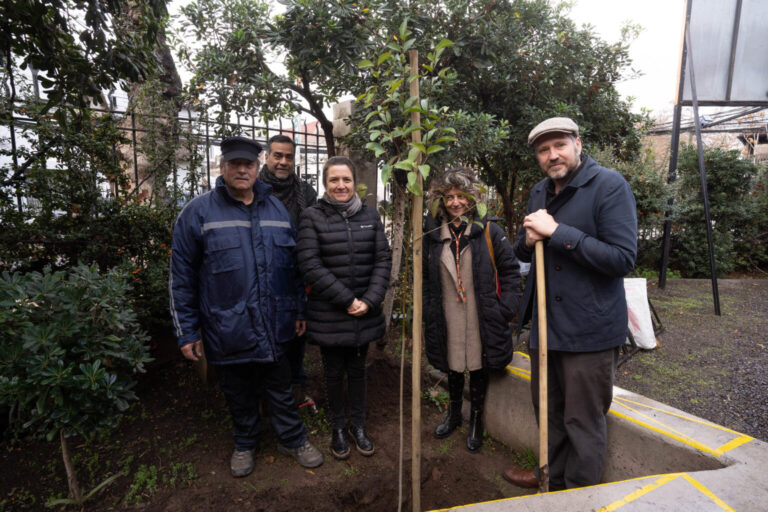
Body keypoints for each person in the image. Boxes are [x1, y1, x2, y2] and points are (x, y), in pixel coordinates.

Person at [169, 135, 323, 478]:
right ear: (223, 168)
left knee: (280, 387)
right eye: (235, 164)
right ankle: (245, 442)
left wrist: (299, 309)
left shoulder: (277, 210)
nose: (242, 170)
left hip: (275, 322)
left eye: (248, 164)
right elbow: (181, 276)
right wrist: (186, 331)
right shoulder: (198, 212)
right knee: (237, 391)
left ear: (258, 167)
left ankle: (292, 439)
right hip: (227, 326)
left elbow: (293, 267)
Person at [502, 117, 637, 490]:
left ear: (578, 144)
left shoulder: (609, 186)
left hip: (589, 330)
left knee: (582, 420)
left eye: (559, 145)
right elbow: (520, 249)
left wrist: (558, 233)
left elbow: (622, 259)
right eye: (544, 150)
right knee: (549, 413)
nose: (552, 155)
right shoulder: (539, 192)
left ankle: (578, 496)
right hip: (546, 326)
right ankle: (551, 478)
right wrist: (529, 241)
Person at [297, 156, 391, 460]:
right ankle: (339, 427)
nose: (341, 185)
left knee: (359, 370)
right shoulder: (312, 216)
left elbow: (382, 260)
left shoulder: (370, 216)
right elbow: (310, 264)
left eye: (346, 180)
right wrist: (348, 300)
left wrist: (370, 300)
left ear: (354, 183)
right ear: (325, 183)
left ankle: (358, 426)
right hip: (331, 313)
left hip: (365, 310)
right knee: (333, 372)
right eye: (334, 180)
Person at [423, 167, 521, 453]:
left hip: (481, 314)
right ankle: (454, 414)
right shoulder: (432, 234)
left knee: (478, 365)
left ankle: (476, 420)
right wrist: (429, 312)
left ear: (472, 198)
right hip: (448, 313)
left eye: (461, 196)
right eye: (449, 197)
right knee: (453, 364)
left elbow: (511, 271)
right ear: (441, 200)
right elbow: (426, 279)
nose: (455, 202)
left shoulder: (489, 231)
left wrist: (505, 310)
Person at [258, 134, 318, 405]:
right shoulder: (254, 188)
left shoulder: (305, 193)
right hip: (260, 274)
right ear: (266, 157)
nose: (283, 162)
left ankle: (295, 391)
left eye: (288, 157)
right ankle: (265, 396)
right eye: (277, 156)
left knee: (296, 336)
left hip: (295, 278)